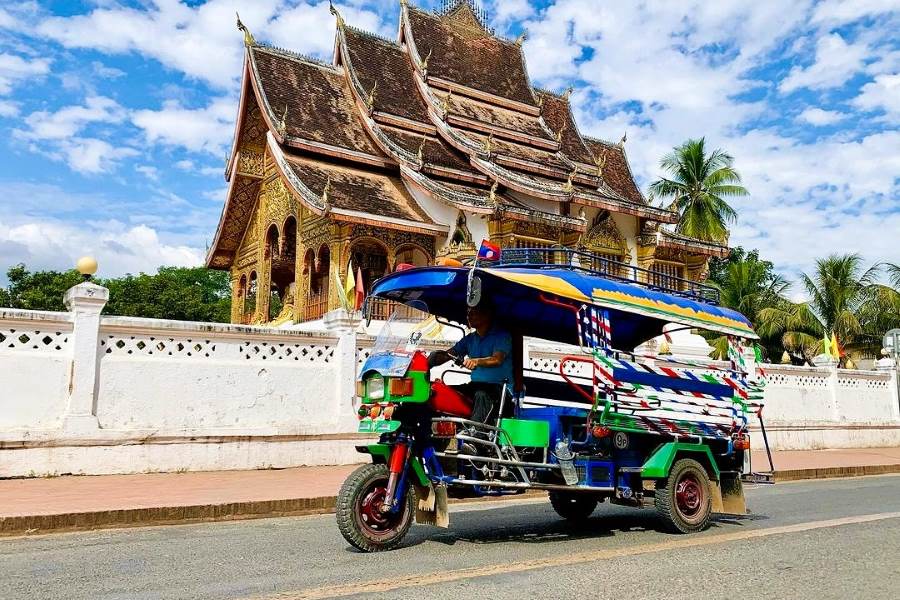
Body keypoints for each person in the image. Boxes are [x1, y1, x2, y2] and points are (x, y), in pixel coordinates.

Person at [428, 302, 513, 423]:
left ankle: (476, 437)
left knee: (481, 395)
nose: (469, 316)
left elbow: (497, 359)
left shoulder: (502, 336)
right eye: (468, 313)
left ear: (487, 315)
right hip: (475, 385)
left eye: (474, 312)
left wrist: (476, 361)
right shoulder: (470, 339)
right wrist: (430, 359)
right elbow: (451, 353)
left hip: (500, 389)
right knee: (439, 392)